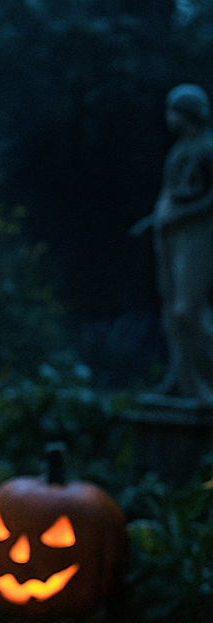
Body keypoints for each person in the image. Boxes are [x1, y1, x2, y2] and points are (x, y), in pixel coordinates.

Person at [131, 84, 213, 403]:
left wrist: (182, 214)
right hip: (171, 237)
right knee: (171, 313)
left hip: (198, 235)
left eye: (172, 111)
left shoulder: (206, 149)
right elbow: (172, 192)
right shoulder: (180, 149)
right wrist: (158, 219)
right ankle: (185, 379)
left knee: (186, 311)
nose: (168, 118)